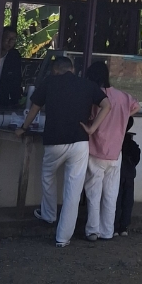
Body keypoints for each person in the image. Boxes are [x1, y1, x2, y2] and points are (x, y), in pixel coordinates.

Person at [21, 55, 99, 246]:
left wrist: (23, 127)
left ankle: (49, 214)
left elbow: (34, 108)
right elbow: (107, 105)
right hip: (80, 141)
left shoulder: (50, 82)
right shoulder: (87, 84)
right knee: (73, 189)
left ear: (55, 70)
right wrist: (92, 128)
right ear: (72, 69)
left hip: (54, 141)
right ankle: (62, 238)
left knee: (48, 175)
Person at [83, 57, 138, 242]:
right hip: (115, 153)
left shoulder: (95, 96)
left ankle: (93, 231)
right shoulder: (122, 96)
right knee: (111, 194)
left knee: (93, 193)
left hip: (96, 150)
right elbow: (136, 107)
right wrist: (123, 116)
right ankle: (107, 231)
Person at [114, 117, 141, 235]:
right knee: (128, 201)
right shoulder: (133, 144)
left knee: (116, 200)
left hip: (118, 174)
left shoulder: (115, 141)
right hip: (129, 174)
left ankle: (114, 227)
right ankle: (124, 227)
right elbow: (137, 159)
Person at [0, 26, 24, 110]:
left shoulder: (14, 56)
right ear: (1, 37)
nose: (10, 42)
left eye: (13, 39)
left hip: (3, 100)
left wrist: (16, 100)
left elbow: (16, 80)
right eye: (7, 38)